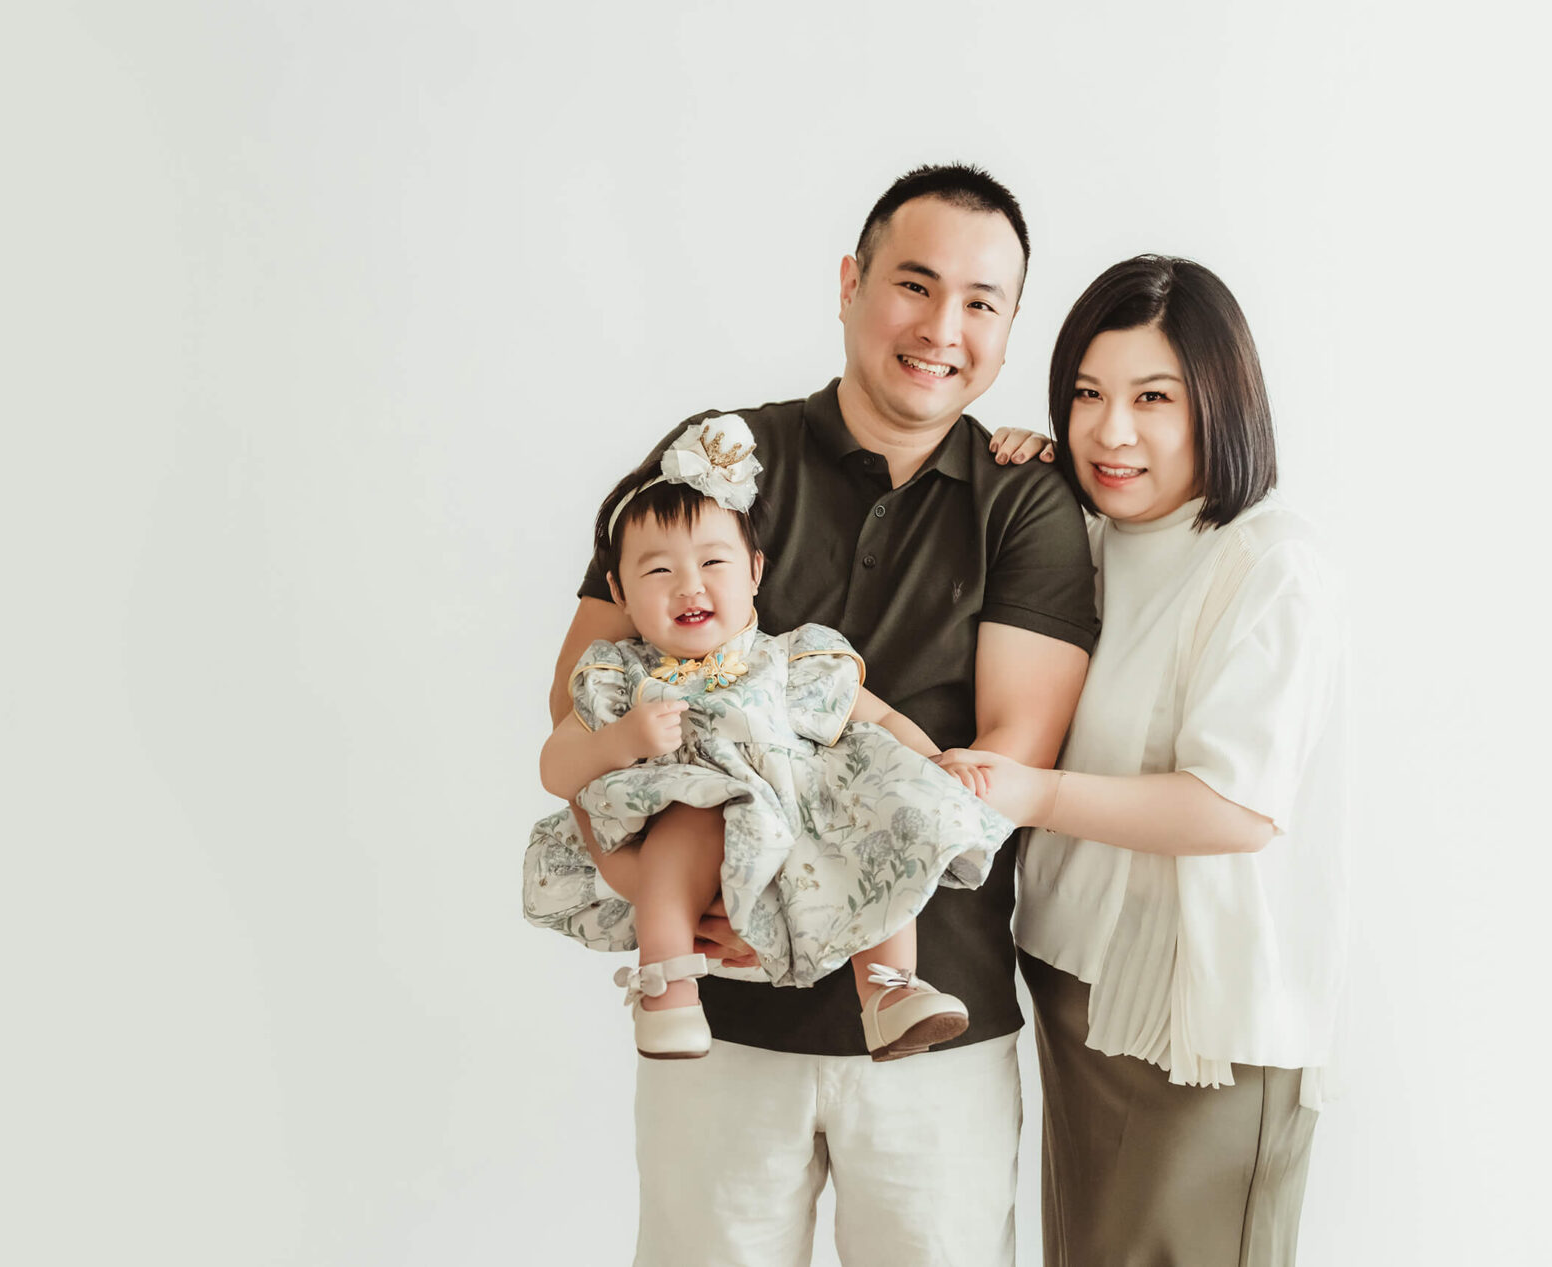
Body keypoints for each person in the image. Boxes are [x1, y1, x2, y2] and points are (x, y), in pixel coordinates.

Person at [543, 164, 1096, 1265]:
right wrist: (644, 881)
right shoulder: (721, 460)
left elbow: (1000, 766)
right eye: (913, 284)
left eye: (981, 303)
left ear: (1010, 325)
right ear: (850, 283)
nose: (943, 327)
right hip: (724, 1023)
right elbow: (584, 697)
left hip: (939, 1024)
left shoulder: (1024, 500)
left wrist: (807, 910)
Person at [947, 255, 1349, 1267]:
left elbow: (1233, 806)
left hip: (1196, 1027)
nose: (1109, 430)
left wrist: (1027, 791)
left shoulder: (1267, 561)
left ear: (1220, 402)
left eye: (1151, 399)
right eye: (1086, 393)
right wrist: (1028, 489)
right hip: (1077, 986)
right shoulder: (1087, 534)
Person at [527, 414, 1012, 1062]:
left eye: (713, 561)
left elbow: (875, 718)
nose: (689, 584)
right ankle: (666, 988)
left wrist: (935, 762)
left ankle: (890, 989)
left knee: (874, 821)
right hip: (701, 830)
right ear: (618, 589)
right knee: (684, 831)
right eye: (659, 570)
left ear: (755, 572)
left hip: (804, 825)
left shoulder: (787, 661)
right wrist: (621, 740)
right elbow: (557, 766)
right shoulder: (622, 681)